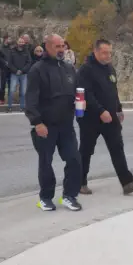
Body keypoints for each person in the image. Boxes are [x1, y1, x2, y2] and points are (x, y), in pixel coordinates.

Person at [77, 39, 133, 195]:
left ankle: (127, 183)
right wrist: (100, 111)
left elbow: (113, 91)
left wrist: (118, 108)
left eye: (109, 52)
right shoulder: (86, 70)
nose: (108, 56)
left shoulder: (109, 68)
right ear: (95, 51)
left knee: (117, 148)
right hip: (90, 119)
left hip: (110, 118)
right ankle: (80, 182)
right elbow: (86, 94)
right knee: (86, 151)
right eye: (104, 53)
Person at [25, 34, 83, 212]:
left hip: (66, 125)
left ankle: (69, 195)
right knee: (46, 163)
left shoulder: (69, 68)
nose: (61, 50)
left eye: (63, 46)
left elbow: (76, 93)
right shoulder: (37, 70)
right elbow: (30, 100)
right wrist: (37, 122)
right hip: (46, 126)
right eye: (57, 46)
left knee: (74, 159)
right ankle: (45, 198)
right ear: (48, 47)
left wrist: (80, 105)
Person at [7, 36, 32, 112]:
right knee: (12, 90)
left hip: (24, 74)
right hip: (14, 74)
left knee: (23, 92)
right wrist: (16, 71)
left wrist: (22, 70)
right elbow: (9, 63)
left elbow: (29, 62)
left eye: (22, 42)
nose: (21, 43)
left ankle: (22, 107)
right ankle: (9, 107)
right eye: (20, 42)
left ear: (24, 43)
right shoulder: (12, 51)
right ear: (17, 42)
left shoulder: (26, 51)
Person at [0, 35, 12, 104]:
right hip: (3, 69)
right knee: (2, 85)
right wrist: (5, 62)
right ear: (5, 39)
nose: (10, 40)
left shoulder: (11, 48)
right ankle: (2, 99)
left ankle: (10, 99)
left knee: (10, 85)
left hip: (11, 69)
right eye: (9, 39)